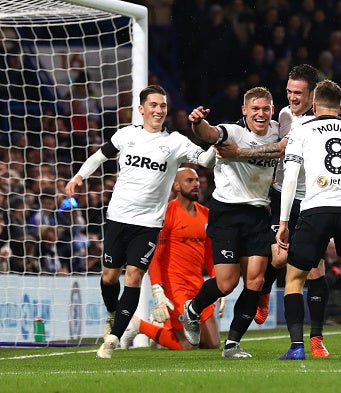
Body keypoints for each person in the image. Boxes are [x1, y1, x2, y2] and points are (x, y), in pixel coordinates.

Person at [64, 85, 216, 359]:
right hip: (118, 218)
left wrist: (210, 135)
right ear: (142, 109)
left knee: (133, 277)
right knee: (109, 278)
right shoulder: (126, 135)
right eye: (154, 105)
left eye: (163, 106)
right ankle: (113, 314)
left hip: (148, 224)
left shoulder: (175, 142)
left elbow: (206, 159)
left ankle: (111, 340)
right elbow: (100, 156)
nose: (159, 110)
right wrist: (79, 177)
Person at [215, 64, 332, 357]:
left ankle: (316, 339)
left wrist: (238, 153)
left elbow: (280, 149)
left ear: (313, 94)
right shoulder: (283, 115)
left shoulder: (321, 120)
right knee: (277, 259)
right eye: (289, 91)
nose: (292, 98)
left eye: (298, 93)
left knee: (316, 269)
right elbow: (273, 146)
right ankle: (264, 291)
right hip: (282, 195)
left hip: (311, 198)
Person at [276, 79, 341, 360]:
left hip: (314, 209)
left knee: (295, 278)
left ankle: (297, 347)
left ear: (315, 105)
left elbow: (292, 177)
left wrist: (284, 222)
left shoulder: (301, 130)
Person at [182, 86, 280, 358]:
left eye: (265, 109)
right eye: (255, 109)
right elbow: (210, 133)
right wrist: (198, 122)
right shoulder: (234, 132)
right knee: (226, 284)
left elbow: (285, 147)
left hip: (259, 212)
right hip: (227, 212)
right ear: (244, 111)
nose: (261, 114)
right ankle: (192, 308)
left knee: (256, 280)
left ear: (272, 110)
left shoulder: (278, 131)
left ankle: (233, 344)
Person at [119, 168, 225, 350]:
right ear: (176, 185)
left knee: (212, 343)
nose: (195, 184)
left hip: (198, 285)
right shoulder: (167, 213)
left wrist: (219, 284)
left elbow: (210, 255)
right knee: (187, 345)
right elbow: (156, 256)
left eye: (197, 181)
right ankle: (138, 325)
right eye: (189, 181)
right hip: (175, 286)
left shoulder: (206, 214)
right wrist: (158, 288)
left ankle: (159, 329)